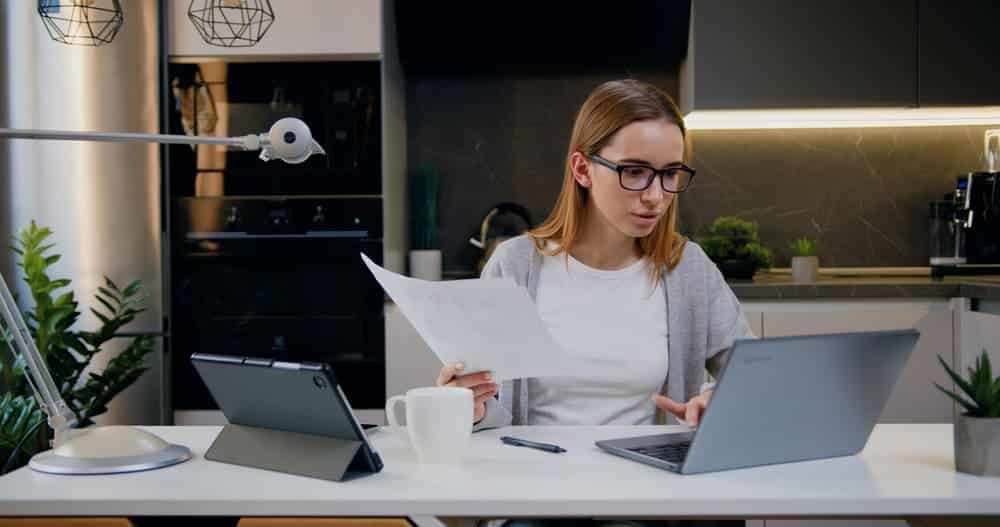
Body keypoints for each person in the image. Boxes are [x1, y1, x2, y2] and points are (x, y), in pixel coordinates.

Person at [435, 79, 753, 526]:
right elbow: (489, 414)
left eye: (669, 174)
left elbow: (752, 376)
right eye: (635, 171)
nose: (655, 196)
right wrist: (470, 407)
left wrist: (716, 399)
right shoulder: (516, 265)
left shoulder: (687, 268)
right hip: (536, 498)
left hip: (646, 501)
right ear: (583, 169)